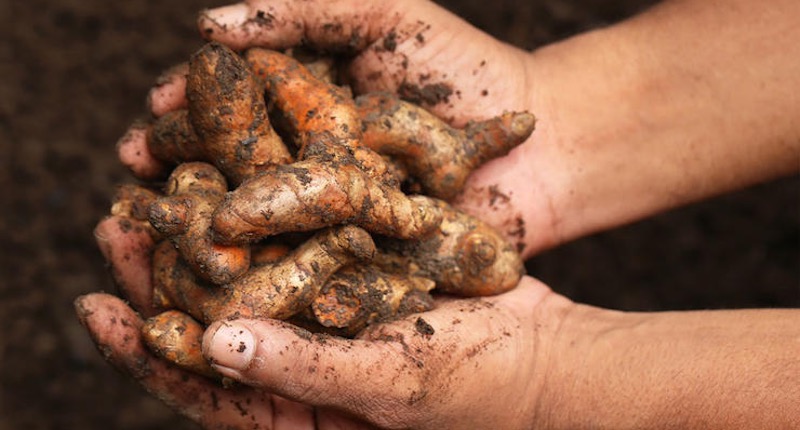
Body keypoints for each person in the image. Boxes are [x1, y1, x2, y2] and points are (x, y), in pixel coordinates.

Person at [76, 0, 800, 428]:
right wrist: (562, 101)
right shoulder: (289, 180)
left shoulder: (351, 184)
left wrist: (541, 386)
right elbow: (234, 229)